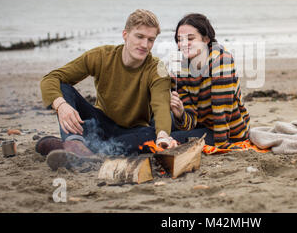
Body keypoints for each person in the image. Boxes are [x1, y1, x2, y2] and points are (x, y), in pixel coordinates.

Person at [37, 9, 178, 170]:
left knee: (152, 135)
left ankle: (73, 148)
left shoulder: (157, 68)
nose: (145, 45)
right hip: (99, 123)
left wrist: (162, 136)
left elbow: (161, 106)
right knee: (63, 88)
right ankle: (74, 144)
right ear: (125, 34)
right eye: (139, 37)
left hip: (133, 132)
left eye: (150, 40)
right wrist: (61, 105)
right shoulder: (102, 56)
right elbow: (51, 79)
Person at [169, 13, 251, 149]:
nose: (183, 44)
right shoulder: (179, 71)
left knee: (162, 139)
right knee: (156, 124)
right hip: (201, 123)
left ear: (206, 39)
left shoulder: (222, 60)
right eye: (179, 39)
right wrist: (180, 114)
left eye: (190, 38)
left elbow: (221, 111)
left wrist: (222, 145)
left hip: (228, 132)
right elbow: (189, 123)